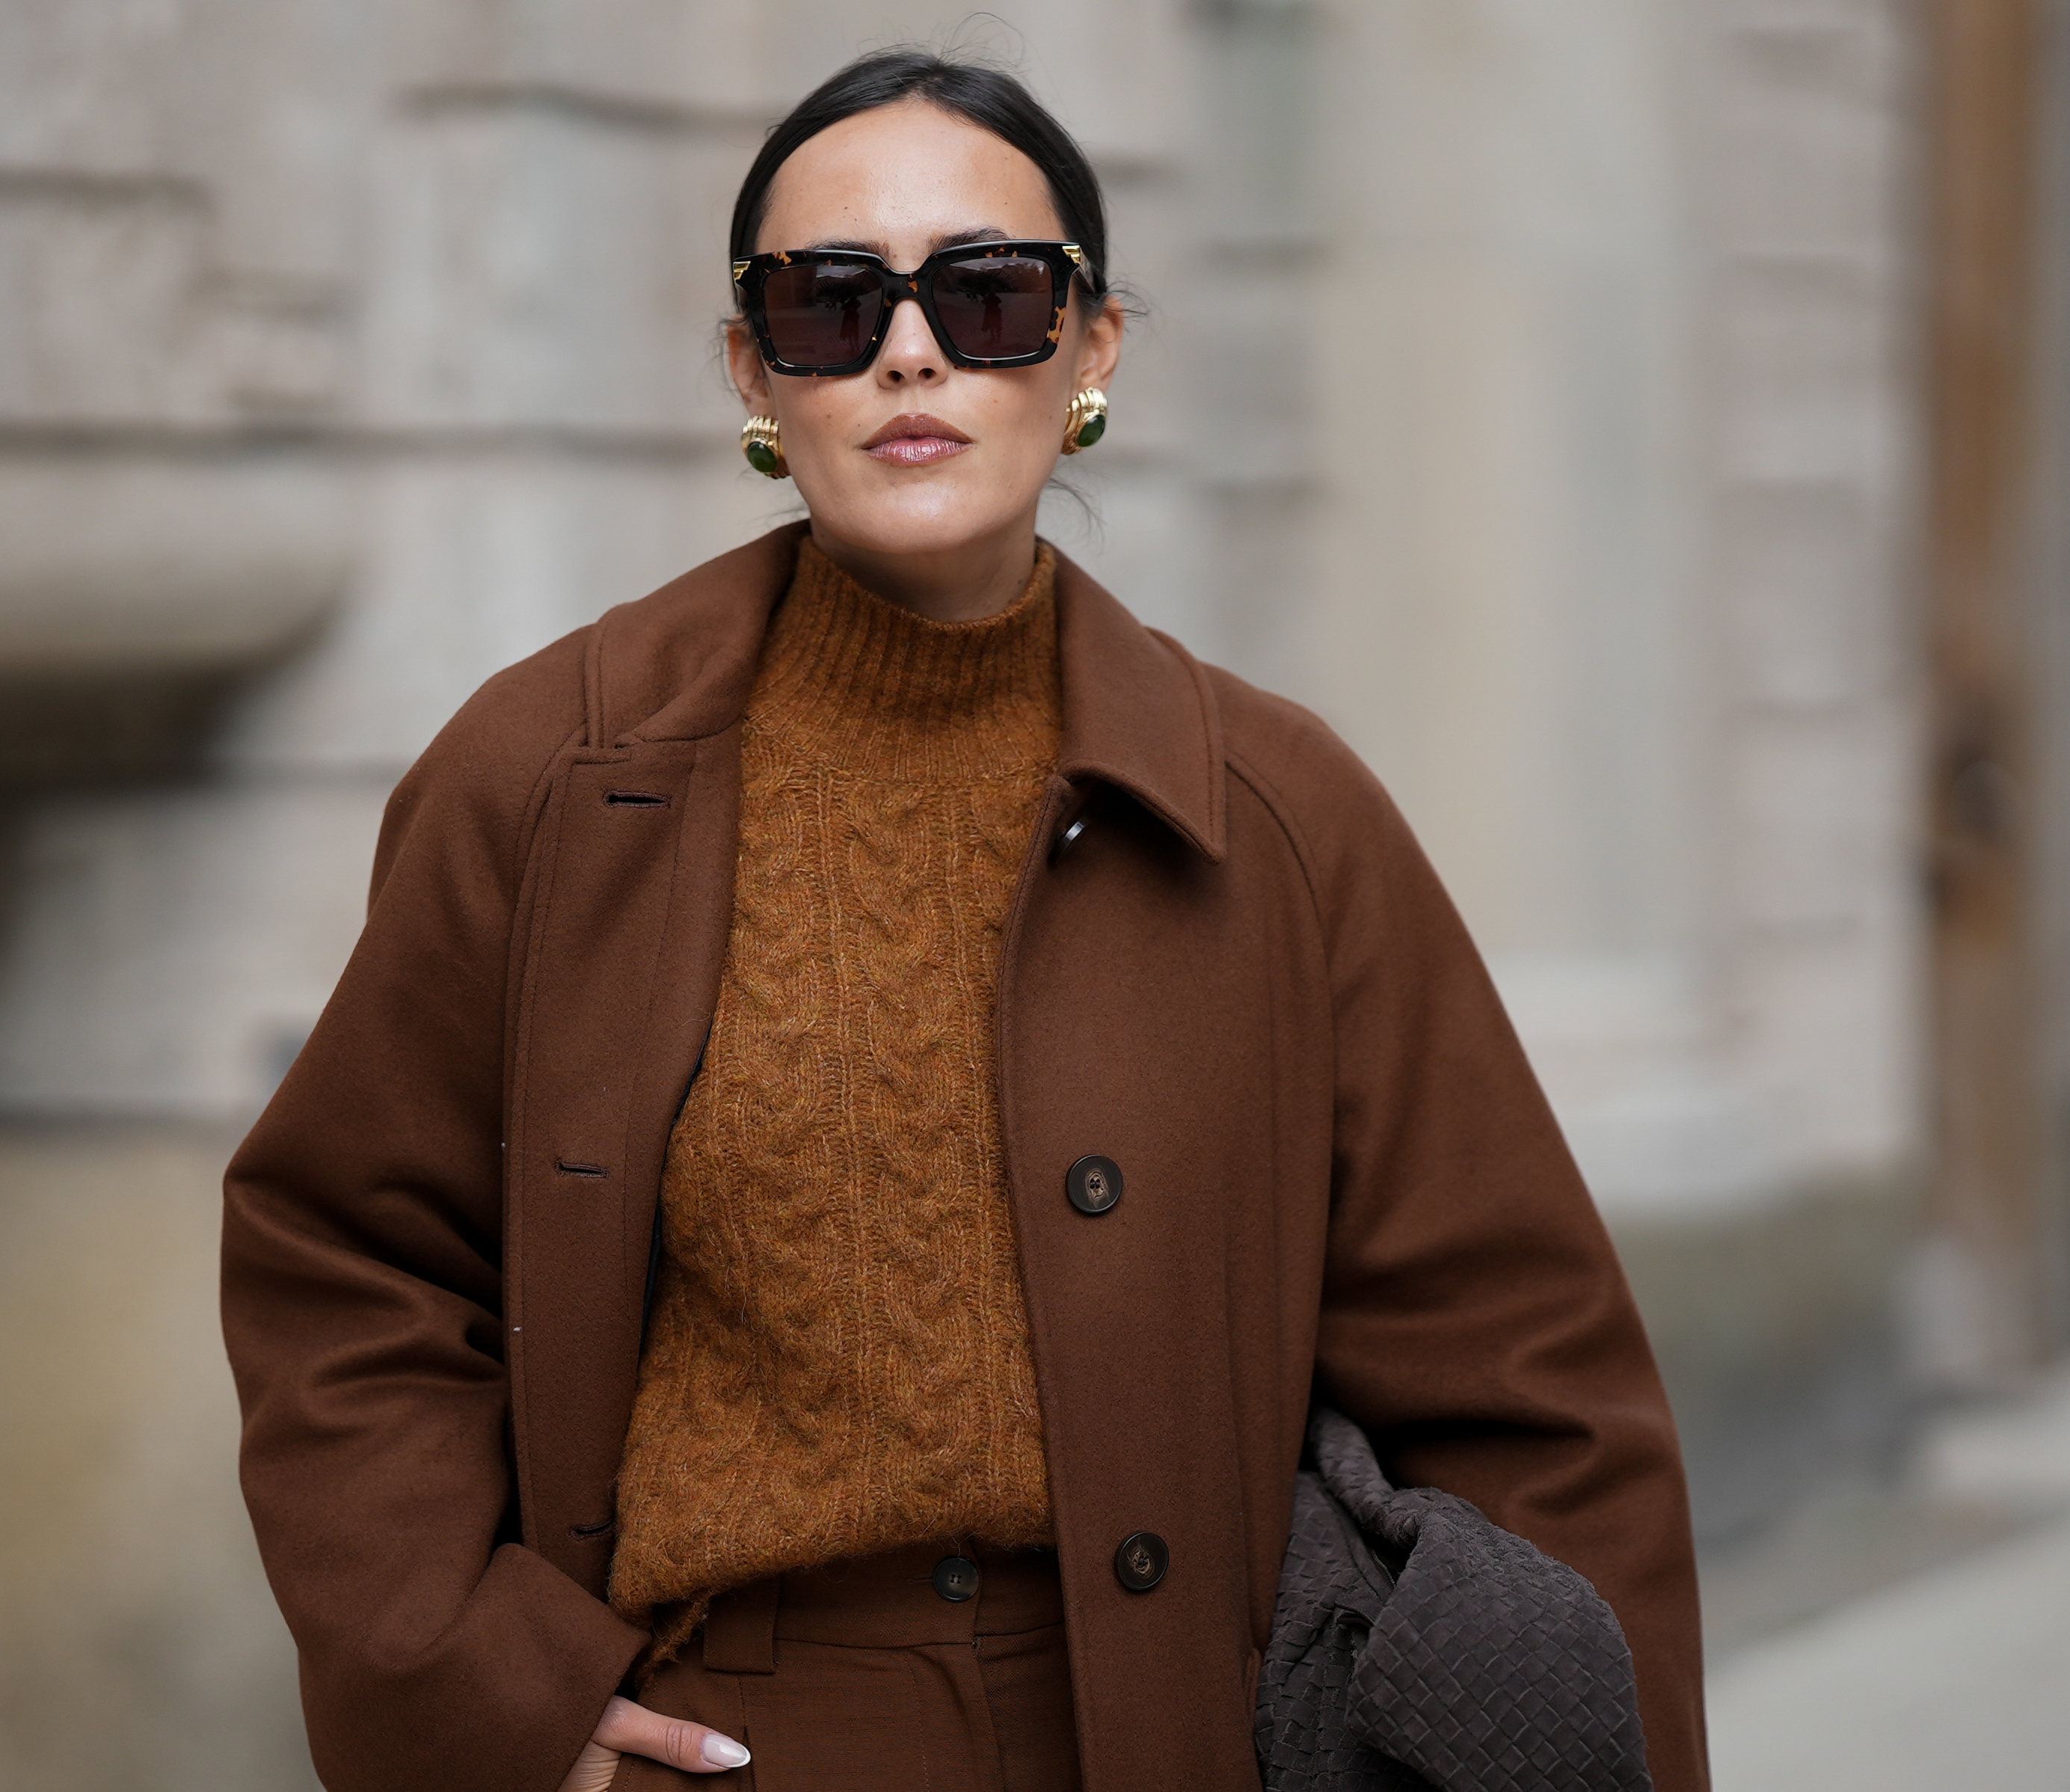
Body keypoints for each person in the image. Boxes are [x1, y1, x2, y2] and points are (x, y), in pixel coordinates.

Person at [221, 50, 1705, 1792]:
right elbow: (349, 1267)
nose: (907, 350)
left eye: (988, 294)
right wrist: (486, 1696)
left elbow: (1525, 1389)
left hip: (1179, 1727)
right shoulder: (546, 774)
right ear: (750, 368)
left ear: (1089, 349)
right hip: (734, 1734)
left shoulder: (1281, 812)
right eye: (825, 302)